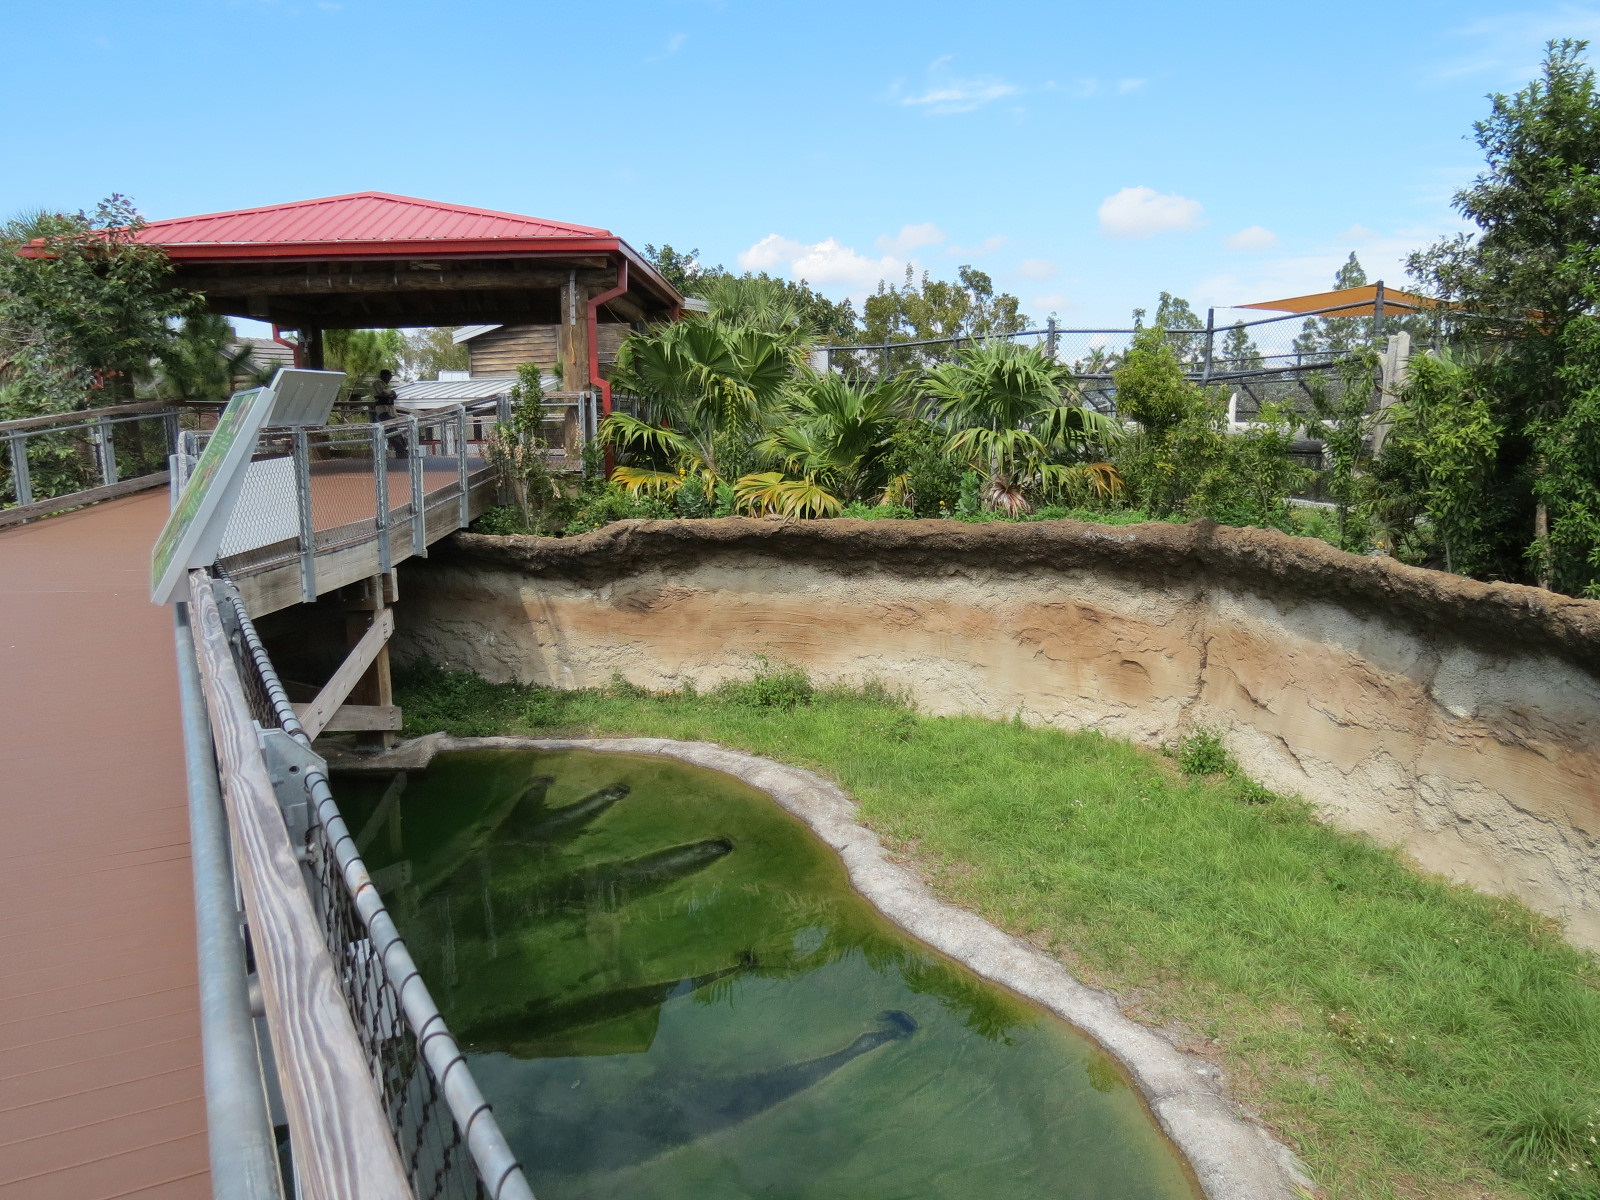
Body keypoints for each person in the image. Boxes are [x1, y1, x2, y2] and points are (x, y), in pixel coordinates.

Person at [371, 369, 408, 457]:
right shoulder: (378, 382)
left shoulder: (386, 385)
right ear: (384, 375)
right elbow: (383, 393)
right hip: (384, 410)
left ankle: (402, 449)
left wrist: (392, 395)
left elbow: (389, 394)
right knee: (390, 430)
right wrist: (391, 393)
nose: (389, 379)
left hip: (390, 409)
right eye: (389, 377)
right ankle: (400, 450)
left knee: (395, 430)